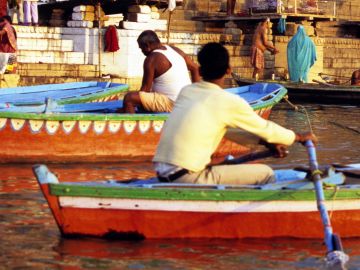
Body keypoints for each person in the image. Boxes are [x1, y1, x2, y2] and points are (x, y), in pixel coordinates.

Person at [153, 42, 317, 185]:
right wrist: (299, 137)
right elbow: (266, 128)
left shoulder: (187, 92)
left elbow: (226, 131)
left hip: (162, 172)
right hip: (187, 177)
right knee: (265, 172)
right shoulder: (226, 100)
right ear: (228, 70)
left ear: (200, 71)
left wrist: (265, 143)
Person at [120, 30, 200, 113]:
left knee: (129, 98)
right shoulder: (174, 49)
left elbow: (145, 90)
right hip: (187, 100)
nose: (142, 52)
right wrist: (196, 95)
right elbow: (195, 68)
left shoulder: (151, 58)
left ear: (147, 46)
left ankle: (130, 124)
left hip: (172, 103)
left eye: (142, 48)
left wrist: (125, 108)